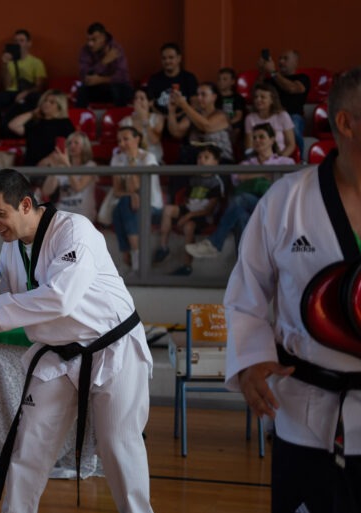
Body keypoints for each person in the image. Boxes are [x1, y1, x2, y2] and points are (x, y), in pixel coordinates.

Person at [0, 168, 154, 513]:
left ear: (26, 205)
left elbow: (59, 299)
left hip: (112, 349)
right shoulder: (11, 249)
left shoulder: (74, 231)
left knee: (118, 447)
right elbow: (4, 310)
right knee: (29, 447)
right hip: (59, 356)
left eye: (0, 213)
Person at [223, 68, 361, 513]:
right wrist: (249, 360)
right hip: (306, 411)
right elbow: (245, 293)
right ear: (347, 123)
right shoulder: (287, 201)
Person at [186, 122, 294, 259]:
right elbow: (237, 177)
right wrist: (266, 174)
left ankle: (214, 244)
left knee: (240, 200)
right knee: (241, 216)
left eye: (261, 137)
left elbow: (289, 185)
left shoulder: (286, 162)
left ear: (272, 140)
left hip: (274, 207)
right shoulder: (246, 164)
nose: (257, 140)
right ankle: (244, 264)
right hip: (252, 208)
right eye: (254, 137)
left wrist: (251, 175)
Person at [153, 145, 224, 276]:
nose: (201, 160)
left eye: (206, 157)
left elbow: (209, 210)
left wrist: (188, 216)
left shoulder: (216, 183)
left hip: (202, 215)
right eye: (199, 157)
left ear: (216, 162)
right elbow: (187, 200)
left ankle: (187, 266)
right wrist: (184, 212)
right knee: (168, 209)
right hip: (189, 210)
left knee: (189, 226)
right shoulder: (194, 178)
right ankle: (163, 247)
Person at [110, 126, 161, 274]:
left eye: (126, 139)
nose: (122, 143)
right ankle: (133, 259)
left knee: (123, 206)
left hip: (151, 205)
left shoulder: (148, 158)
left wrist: (132, 160)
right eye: (119, 140)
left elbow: (138, 186)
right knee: (121, 206)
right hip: (128, 203)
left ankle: (135, 259)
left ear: (137, 139)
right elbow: (117, 191)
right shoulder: (117, 158)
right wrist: (132, 195)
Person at [0, 29, 48, 138]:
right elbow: (7, 86)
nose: (18, 44)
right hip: (12, 93)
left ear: (29, 43)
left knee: (36, 98)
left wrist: (25, 93)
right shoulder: (9, 63)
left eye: (21, 41)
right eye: (16, 41)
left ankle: (27, 128)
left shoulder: (36, 62)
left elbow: (39, 86)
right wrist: (4, 64)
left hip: (29, 93)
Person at [259, 49, 310, 162]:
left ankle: (299, 161)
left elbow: (292, 88)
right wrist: (262, 72)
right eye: (280, 59)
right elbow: (256, 93)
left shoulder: (302, 78)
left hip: (293, 115)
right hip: (271, 116)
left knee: (294, 130)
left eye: (285, 59)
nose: (281, 61)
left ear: (295, 62)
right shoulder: (271, 80)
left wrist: (273, 72)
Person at [7, 89, 75, 167]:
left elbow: (66, 148)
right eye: (45, 101)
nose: (46, 104)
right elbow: (13, 126)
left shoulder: (65, 124)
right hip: (30, 166)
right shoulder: (36, 122)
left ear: (60, 106)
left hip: (51, 167)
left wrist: (48, 160)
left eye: (52, 102)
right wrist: (33, 113)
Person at [40, 131, 98, 221]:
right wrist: (55, 167)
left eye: (76, 143)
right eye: (69, 143)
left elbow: (78, 187)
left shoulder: (90, 165)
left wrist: (67, 165)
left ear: (84, 147)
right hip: (62, 212)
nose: (72, 146)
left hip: (82, 214)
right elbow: (46, 191)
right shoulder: (62, 166)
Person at [76, 22, 132, 108]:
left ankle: (120, 115)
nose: (90, 43)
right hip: (96, 88)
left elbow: (123, 76)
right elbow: (85, 75)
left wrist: (101, 80)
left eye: (94, 40)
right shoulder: (85, 50)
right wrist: (103, 62)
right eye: (88, 40)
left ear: (103, 38)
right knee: (82, 90)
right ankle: (81, 115)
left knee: (118, 89)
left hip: (116, 87)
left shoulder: (116, 49)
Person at [244, 83, 296, 159]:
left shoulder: (282, 115)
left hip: (280, 159)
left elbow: (291, 144)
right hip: (258, 161)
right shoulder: (249, 118)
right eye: (256, 97)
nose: (258, 100)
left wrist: (277, 160)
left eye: (263, 97)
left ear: (272, 100)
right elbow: (249, 147)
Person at [146, 42, 199, 116]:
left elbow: (195, 104)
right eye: (164, 58)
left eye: (171, 57)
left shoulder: (189, 78)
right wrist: (164, 118)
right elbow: (150, 105)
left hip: (184, 119)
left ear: (179, 58)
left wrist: (177, 117)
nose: (167, 61)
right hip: (159, 119)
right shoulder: (154, 79)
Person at [119, 86, 165, 162]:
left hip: (154, 160)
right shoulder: (125, 121)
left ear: (150, 103)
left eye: (142, 98)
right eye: (136, 98)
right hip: (132, 160)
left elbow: (155, 140)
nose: (138, 101)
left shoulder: (158, 118)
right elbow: (123, 145)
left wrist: (144, 119)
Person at [217, 67, 245, 148]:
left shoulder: (237, 98)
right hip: (216, 123)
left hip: (232, 124)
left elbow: (238, 116)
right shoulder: (215, 97)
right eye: (219, 79)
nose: (221, 82)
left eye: (225, 79)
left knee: (237, 128)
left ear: (232, 81)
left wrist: (226, 124)